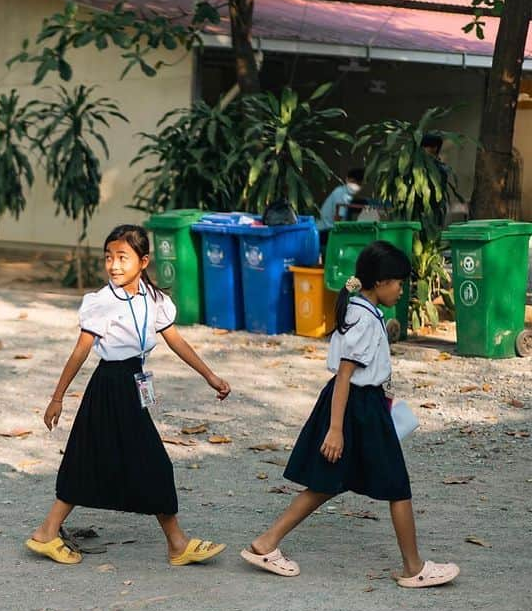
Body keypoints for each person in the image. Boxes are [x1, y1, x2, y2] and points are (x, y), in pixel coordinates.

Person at [241, 241, 459, 588]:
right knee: (397, 486)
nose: (401, 291)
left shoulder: (361, 311)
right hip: (356, 408)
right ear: (382, 282)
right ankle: (414, 568)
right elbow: (345, 375)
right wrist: (335, 430)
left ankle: (265, 543)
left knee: (328, 482)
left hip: (360, 405)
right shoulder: (364, 320)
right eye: (399, 284)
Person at [25, 224, 230, 567]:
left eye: (123, 257)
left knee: (91, 457)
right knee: (151, 462)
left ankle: (47, 532)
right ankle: (177, 544)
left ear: (144, 261)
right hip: (110, 385)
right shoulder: (101, 303)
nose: (114, 265)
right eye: (108, 257)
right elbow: (80, 353)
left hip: (133, 382)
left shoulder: (155, 300)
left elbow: (175, 340)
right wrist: (58, 397)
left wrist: (209, 375)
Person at [317, 167, 366, 232]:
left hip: (327, 228)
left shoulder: (342, 191)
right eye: (353, 182)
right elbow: (338, 218)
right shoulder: (342, 194)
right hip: (326, 230)